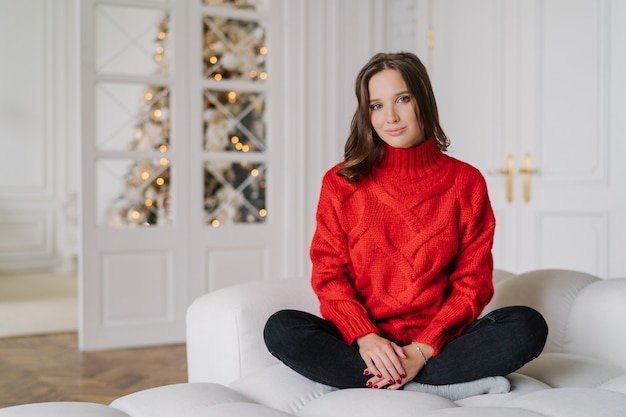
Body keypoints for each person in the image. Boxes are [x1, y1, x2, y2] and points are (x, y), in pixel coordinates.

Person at [263, 52, 548, 401]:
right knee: (281, 329)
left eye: (402, 99)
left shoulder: (466, 182)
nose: (391, 117)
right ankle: (431, 383)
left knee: (527, 326)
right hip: (365, 344)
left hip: (438, 343)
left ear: (422, 101)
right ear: (366, 114)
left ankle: (388, 379)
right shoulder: (342, 183)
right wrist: (366, 336)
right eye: (377, 106)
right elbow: (329, 275)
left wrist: (423, 348)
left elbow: (472, 283)